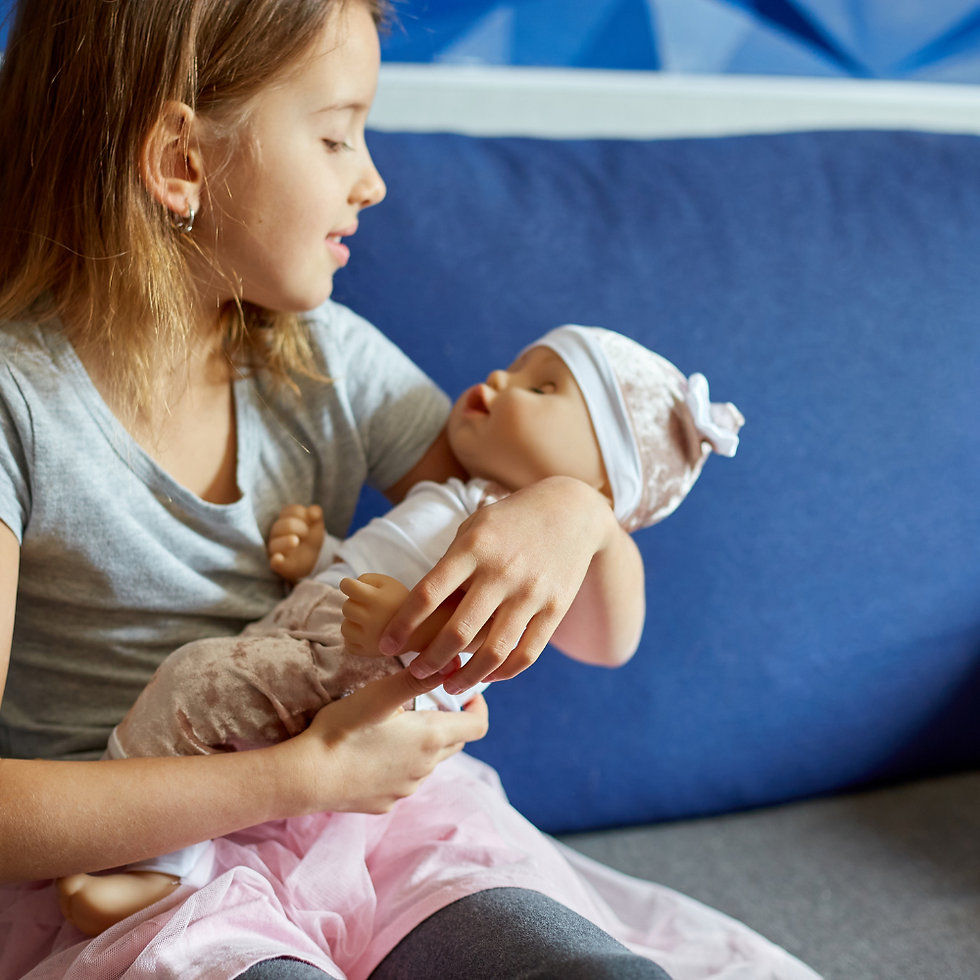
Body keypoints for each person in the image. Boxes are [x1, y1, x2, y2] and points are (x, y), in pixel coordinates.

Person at [0, 1, 822, 978]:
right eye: (335, 135)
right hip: (120, 863)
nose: (373, 179)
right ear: (181, 160)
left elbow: (558, 583)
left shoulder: (332, 361)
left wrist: (576, 510)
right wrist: (296, 776)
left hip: (365, 828)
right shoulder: (19, 405)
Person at [55, 324, 744, 933]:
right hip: (311, 640)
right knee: (219, 708)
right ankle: (155, 843)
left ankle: (155, 867)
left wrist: (414, 626)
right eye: (516, 367)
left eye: (543, 387)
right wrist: (320, 558)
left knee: (194, 683)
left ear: (606, 481)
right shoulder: (455, 497)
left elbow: (537, 640)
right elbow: (382, 561)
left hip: (372, 674)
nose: (500, 378)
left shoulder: (532, 552)